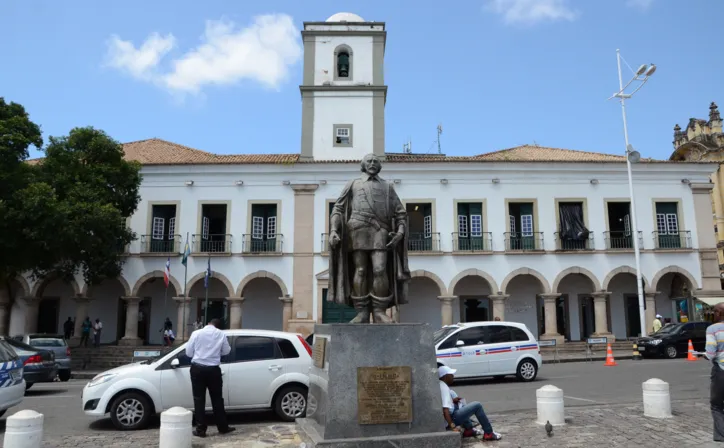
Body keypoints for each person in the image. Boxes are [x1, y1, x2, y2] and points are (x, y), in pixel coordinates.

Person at [328, 153, 411, 323]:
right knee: (360, 270)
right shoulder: (353, 184)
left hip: (380, 231)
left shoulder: (387, 187)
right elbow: (338, 209)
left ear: (380, 166)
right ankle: (362, 312)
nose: (372, 163)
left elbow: (401, 214)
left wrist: (400, 233)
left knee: (380, 269)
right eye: (369, 161)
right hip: (357, 230)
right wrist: (333, 230)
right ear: (363, 165)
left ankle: (379, 311)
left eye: (376, 161)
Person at [185, 318, 235, 438]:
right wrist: (215, 352)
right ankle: (222, 427)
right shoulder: (221, 334)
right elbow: (227, 351)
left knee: (199, 399)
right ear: (218, 327)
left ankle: (201, 429)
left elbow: (188, 352)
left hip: (197, 369)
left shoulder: (196, 333)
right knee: (217, 399)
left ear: (208, 324)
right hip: (213, 370)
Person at [439, 365, 502, 441]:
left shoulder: (440, 384)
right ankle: (489, 433)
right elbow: (445, 411)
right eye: (451, 375)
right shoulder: (444, 388)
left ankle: (469, 429)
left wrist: (452, 401)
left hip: (451, 414)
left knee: (457, 398)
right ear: (445, 377)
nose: (453, 376)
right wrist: (453, 426)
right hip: (452, 418)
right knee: (477, 405)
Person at [705, 302, 724, 442]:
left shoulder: (713, 329)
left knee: (716, 404)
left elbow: (710, 353)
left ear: (719, 313)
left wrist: (704, 355)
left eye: (714, 312)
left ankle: (721, 435)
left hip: (721, 369)